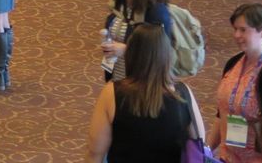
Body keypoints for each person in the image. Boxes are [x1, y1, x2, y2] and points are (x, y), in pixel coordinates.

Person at [87, 23, 206, 163]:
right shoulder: (183, 93)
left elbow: (95, 153)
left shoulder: (112, 93)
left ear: (130, 54)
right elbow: (200, 145)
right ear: (167, 56)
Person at [206, 3, 262, 162]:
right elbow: (222, 111)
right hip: (227, 156)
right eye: (235, 29)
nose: (236, 35)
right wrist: (206, 150)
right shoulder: (233, 64)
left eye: (243, 30)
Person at [100, 0, 172, 83]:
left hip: (143, 84)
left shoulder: (155, 12)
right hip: (119, 77)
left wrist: (127, 50)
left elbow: (159, 53)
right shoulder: (119, 3)